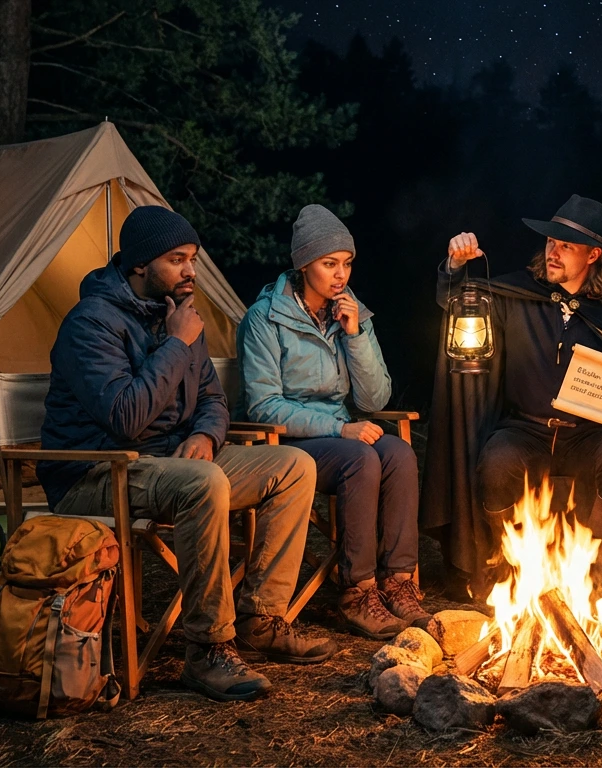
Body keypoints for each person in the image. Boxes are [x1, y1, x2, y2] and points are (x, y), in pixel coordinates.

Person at [39, 206, 335, 703]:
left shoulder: (179, 313)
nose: (190, 271)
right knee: (204, 483)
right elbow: (126, 418)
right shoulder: (91, 324)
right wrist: (177, 343)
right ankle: (208, 649)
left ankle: (261, 617)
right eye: (177, 260)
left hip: (173, 460)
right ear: (140, 263)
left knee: (294, 466)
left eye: (192, 259)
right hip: (98, 470)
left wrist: (206, 438)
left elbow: (213, 400)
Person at [420, 195, 602, 608]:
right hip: (525, 429)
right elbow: (458, 304)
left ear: (593, 255)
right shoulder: (516, 294)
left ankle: (593, 581)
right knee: (497, 462)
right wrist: (454, 266)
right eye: (550, 242)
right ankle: (516, 573)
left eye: (566, 246)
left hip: (590, 436)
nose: (553, 252)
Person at [237, 204, 426, 641]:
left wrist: (355, 335)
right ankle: (357, 590)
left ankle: (398, 582)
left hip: (343, 435)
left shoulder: (351, 312)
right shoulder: (265, 318)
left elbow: (375, 399)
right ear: (304, 264)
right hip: (288, 444)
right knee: (361, 458)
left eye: (347, 263)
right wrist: (339, 429)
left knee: (399, 453)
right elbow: (264, 406)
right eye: (329, 264)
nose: (341, 275)